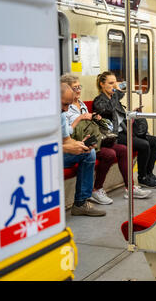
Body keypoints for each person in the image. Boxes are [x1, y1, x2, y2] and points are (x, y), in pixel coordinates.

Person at [61, 74, 151, 203]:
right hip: (78, 140)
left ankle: (130, 187)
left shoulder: (81, 104)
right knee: (108, 153)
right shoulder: (97, 101)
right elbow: (68, 131)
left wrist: (97, 119)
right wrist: (81, 118)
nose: (79, 90)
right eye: (75, 88)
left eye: (79, 87)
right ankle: (95, 190)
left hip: (95, 137)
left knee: (124, 149)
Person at [93, 71, 156, 190]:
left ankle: (149, 173)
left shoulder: (114, 99)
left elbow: (120, 116)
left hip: (125, 130)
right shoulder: (99, 101)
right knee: (144, 145)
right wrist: (116, 93)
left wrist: (132, 113)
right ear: (102, 84)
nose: (114, 86)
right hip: (115, 135)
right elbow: (108, 109)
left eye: (115, 83)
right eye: (111, 83)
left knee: (155, 141)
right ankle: (142, 177)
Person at [60, 83, 106, 217]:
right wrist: (65, 147)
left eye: (68, 105)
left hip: (57, 152)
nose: (66, 109)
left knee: (88, 152)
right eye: (64, 104)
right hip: (40, 157)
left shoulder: (62, 114)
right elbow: (35, 147)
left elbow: (66, 139)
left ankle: (80, 203)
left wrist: (79, 145)